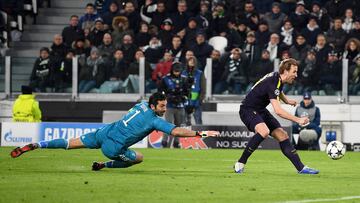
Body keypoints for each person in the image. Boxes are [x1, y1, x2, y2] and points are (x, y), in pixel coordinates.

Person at [10, 92, 219, 171]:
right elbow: (176, 132)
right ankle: (103, 164)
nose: (165, 109)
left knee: (69, 143)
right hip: (113, 146)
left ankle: (37, 145)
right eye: (162, 106)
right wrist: (201, 134)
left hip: (103, 132)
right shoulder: (154, 121)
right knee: (139, 157)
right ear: (154, 106)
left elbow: (153, 102)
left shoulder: (142, 105)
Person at [234, 58, 319, 174]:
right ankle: (240, 163)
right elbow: (278, 111)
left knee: (282, 135)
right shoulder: (273, 82)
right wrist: (298, 119)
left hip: (260, 110)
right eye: (294, 71)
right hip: (248, 109)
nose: (296, 75)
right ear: (285, 71)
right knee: (264, 131)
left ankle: (301, 168)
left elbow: (278, 91)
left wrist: (287, 100)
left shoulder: (277, 79)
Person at [159, 62, 188, 148]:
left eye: (178, 71)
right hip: (169, 105)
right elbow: (161, 91)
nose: (176, 73)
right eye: (175, 71)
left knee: (178, 125)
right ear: (172, 70)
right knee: (168, 124)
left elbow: (187, 91)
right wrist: (168, 97)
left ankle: (176, 142)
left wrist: (183, 97)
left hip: (180, 105)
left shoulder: (184, 79)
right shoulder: (166, 79)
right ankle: (164, 141)